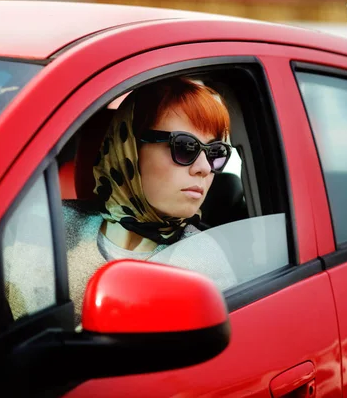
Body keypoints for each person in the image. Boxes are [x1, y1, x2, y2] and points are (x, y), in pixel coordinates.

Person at [63, 76, 238, 324]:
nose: (204, 168)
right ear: (128, 150)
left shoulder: (201, 263)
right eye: (185, 147)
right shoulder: (51, 228)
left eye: (215, 153)